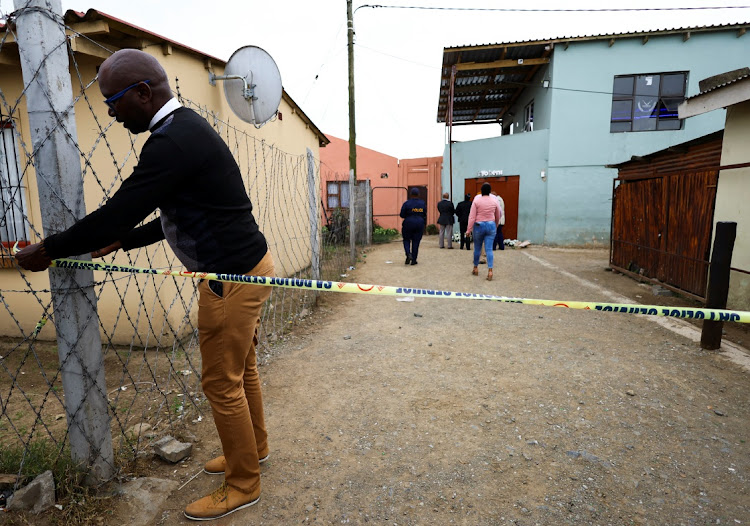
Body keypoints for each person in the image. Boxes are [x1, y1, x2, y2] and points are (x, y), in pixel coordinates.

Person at [15, 49, 274, 521]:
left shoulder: (171, 143)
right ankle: (252, 450)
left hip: (227, 280)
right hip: (250, 268)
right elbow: (179, 210)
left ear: (141, 93)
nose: (111, 113)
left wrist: (49, 248)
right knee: (243, 369)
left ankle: (243, 482)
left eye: (113, 101)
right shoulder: (187, 130)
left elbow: (119, 211)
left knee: (221, 380)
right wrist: (123, 243)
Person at [466, 182, 502, 281]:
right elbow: (498, 214)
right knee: (489, 249)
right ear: (490, 191)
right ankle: (490, 271)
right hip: (491, 225)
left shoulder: (476, 200)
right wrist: (496, 224)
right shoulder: (494, 200)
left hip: (479, 225)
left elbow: (472, 216)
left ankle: (475, 268)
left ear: (481, 191)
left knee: (477, 248)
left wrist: (468, 229)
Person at [400, 187, 426, 265]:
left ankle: (408, 254)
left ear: (411, 194)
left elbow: (402, 215)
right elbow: (424, 213)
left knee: (406, 239)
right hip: (419, 223)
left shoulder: (406, 203)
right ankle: (414, 260)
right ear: (418, 194)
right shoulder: (422, 203)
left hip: (408, 222)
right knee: (416, 241)